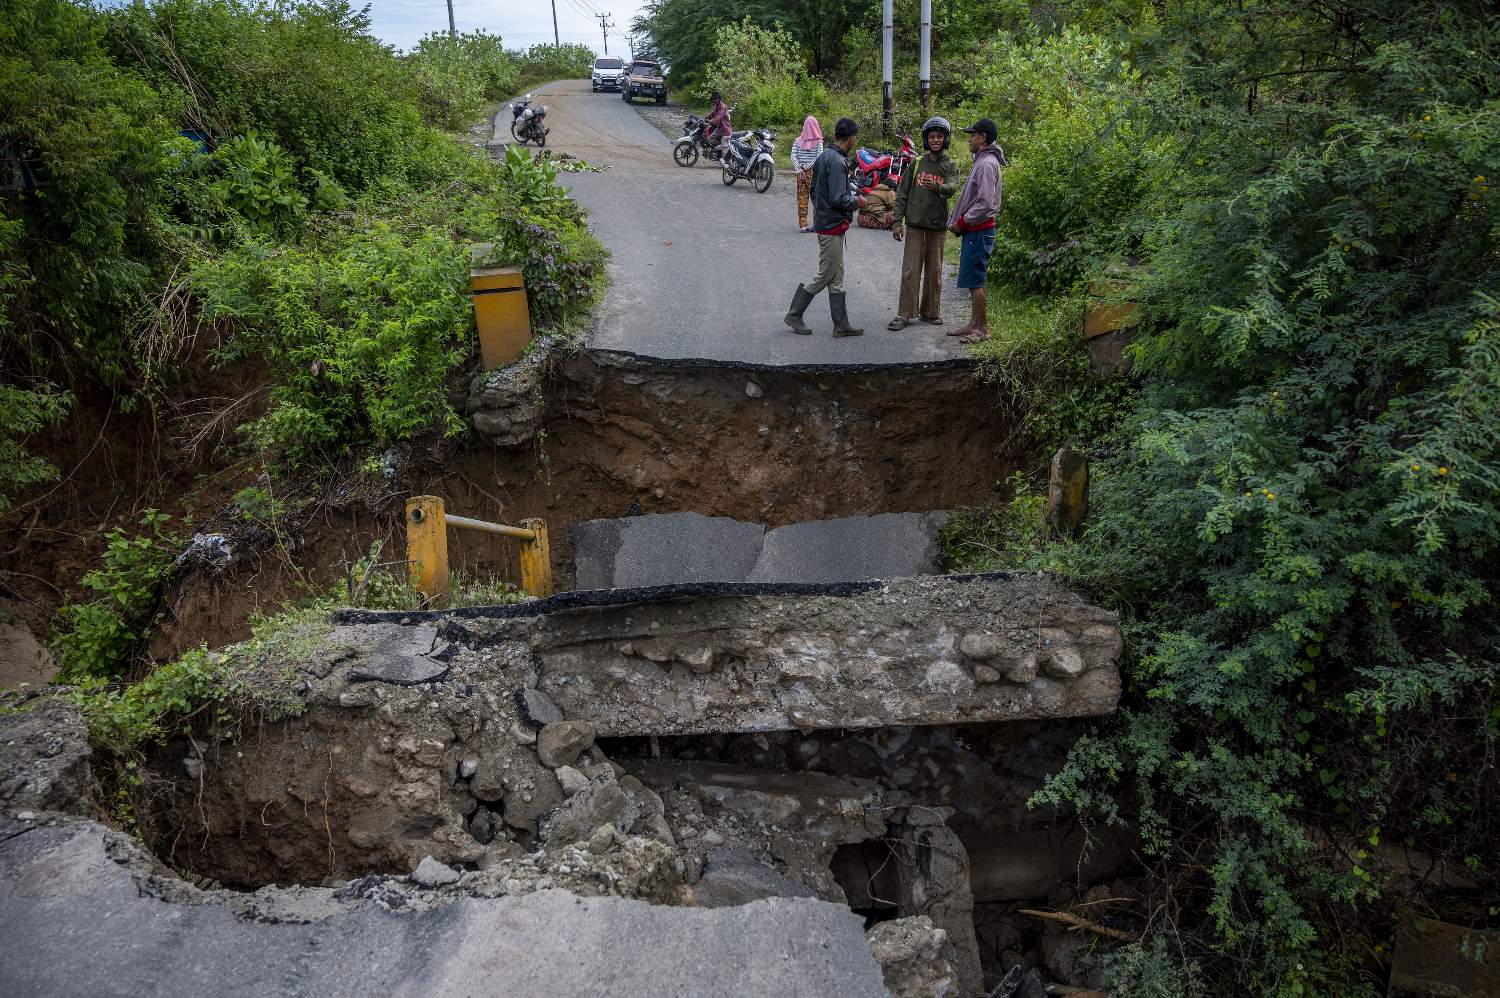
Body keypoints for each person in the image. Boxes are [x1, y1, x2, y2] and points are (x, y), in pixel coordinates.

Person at [784, 117, 867, 338]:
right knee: (826, 273)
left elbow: (814, 190)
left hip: (827, 222)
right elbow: (839, 198)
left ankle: (841, 324)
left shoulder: (823, 157)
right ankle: (794, 314)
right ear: (852, 139)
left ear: (834, 136)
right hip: (831, 226)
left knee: (837, 275)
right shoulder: (838, 162)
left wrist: (820, 211)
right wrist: (857, 202)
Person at [888, 116, 958, 330]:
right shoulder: (916, 163)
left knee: (934, 271)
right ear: (927, 140)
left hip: (937, 228)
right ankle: (904, 314)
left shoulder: (949, 165)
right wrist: (897, 221)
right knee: (910, 270)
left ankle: (931, 311)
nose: (936, 140)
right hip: (916, 226)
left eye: (939, 136)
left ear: (945, 139)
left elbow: (952, 187)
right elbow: (902, 194)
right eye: (932, 137)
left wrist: (937, 187)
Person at [947, 118, 1005, 343]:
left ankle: (982, 329)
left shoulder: (986, 164)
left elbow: (986, 204)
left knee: (976, 280)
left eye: (973, 135)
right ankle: (974, 323)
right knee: (973, 279)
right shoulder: (982, 161)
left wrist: (963, 221)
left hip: (979, 231)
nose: (969, 139)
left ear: (982, 138)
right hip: (975, 231)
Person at [790, 115, 823, 232]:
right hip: (813, 173)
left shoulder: (797, 141)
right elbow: (819, 156)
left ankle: (803, 225)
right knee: (816, 199)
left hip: (801, 174)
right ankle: (817, 223)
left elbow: (793, 156)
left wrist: (799, 169)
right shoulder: (818, 142)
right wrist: (808, 167)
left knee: (802, 199)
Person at [704, 91, 732, 164]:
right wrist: (707, 117)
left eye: (716, 99)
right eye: (713, 99)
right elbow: (713, 114)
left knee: (725, 147)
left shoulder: (722, 107)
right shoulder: (716, 106)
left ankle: (726, 163)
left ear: (719, 99)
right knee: (710, 139)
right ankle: (718, 153)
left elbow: (718, 117)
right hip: (719, 128)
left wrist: (710, 121)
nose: (714, 100)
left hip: (725, 129)